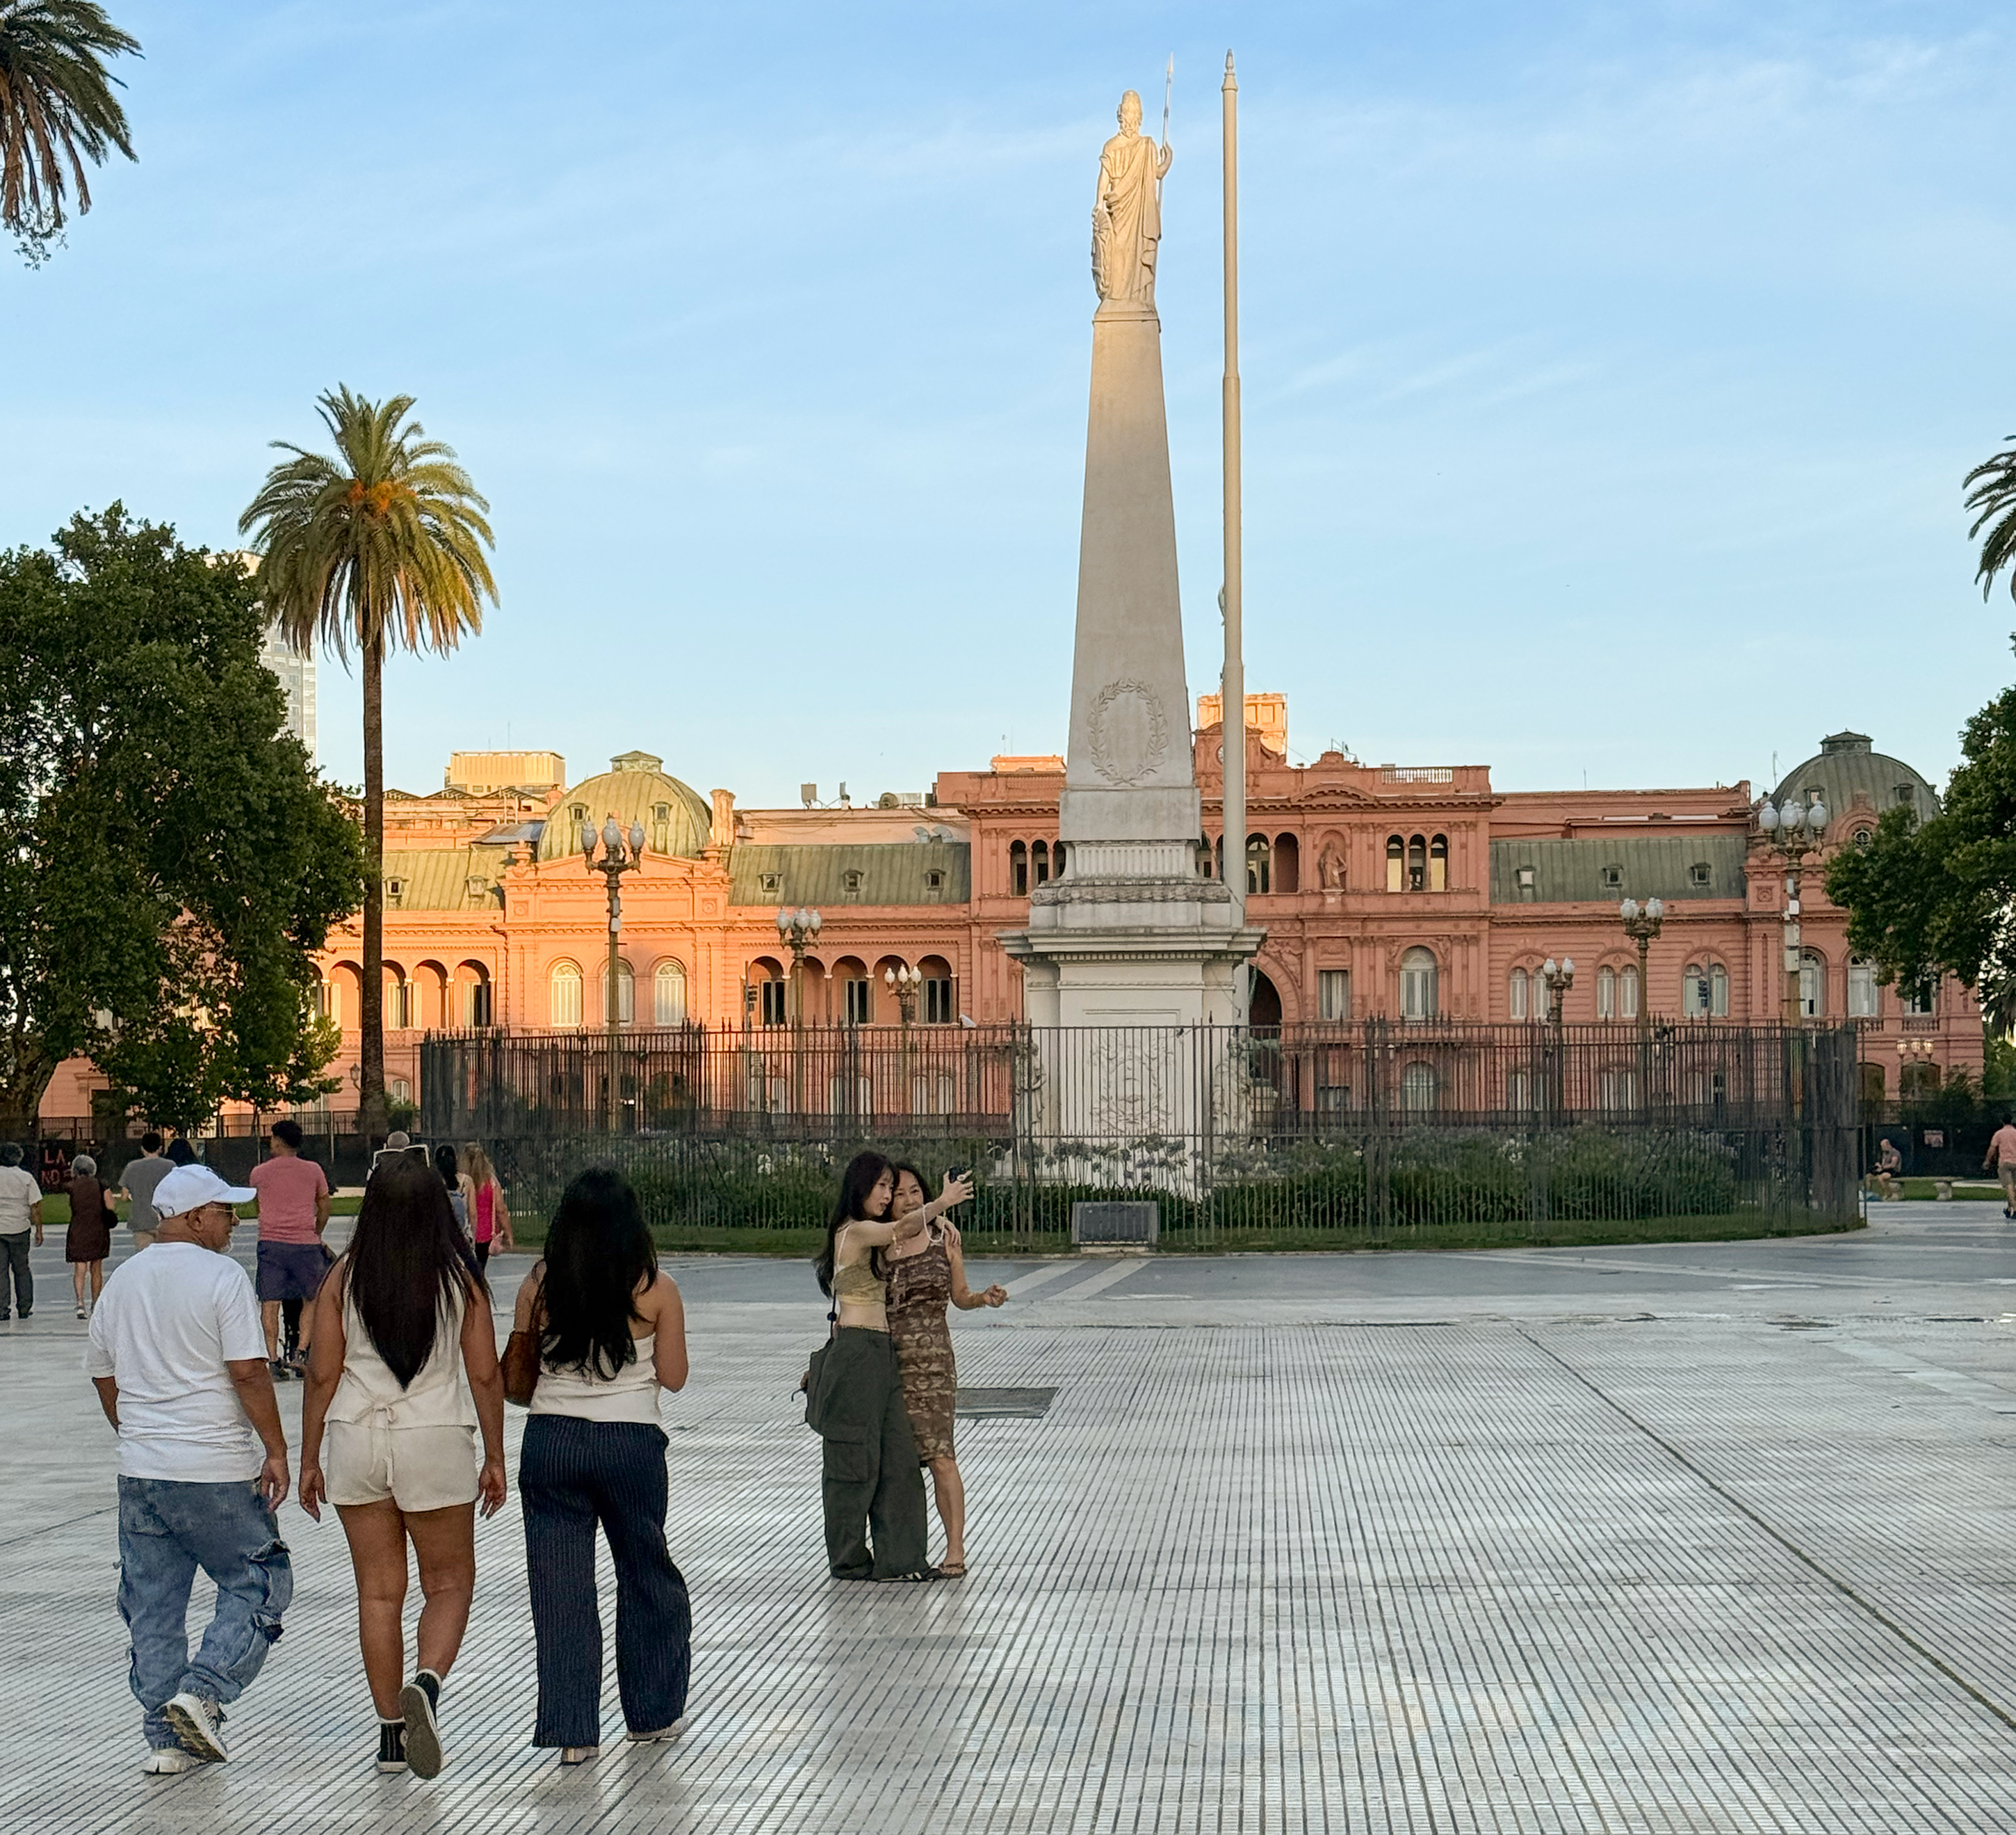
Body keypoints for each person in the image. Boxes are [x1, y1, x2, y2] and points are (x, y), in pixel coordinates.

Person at [298, 1156, 505, 1779]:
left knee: (379, 1593)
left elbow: (321, 1372)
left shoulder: (343, 1277)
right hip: (434, 1438)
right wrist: (495, 1453)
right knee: (448, 1584)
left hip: (357, 1438)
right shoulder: (461, 1281)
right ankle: (428, 1684)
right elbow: (485, 1372)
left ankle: (391, 1734)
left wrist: (309, 1456)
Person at [83, 1163, 293, 1775]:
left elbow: (102, 1370)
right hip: (214, 1466)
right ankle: (203, 1691)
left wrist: (134, 1429)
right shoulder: (222, 1276)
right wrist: (275, 1448)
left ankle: (165, 1739)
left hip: (142, 1470)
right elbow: (249, 1371)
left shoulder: (123, 1280)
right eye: (226, 1211)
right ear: (195, 1217)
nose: (235, 1221)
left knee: (152, 1603)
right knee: (260, 1580)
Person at [510, 1168, 690, 1765]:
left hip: (552, 1441)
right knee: (646, 1574)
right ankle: (652, 1714)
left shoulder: (539, 1285)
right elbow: (674, 1375)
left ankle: (573, 1732)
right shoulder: (657, 1288)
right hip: (631, 1442)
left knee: (560, 1588)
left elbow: (520, 1370)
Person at [806, 1151, 970, 1583]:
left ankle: (902, 1559)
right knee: (854, 1460)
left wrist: (939, 1225)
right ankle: (849, 1559)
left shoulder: (876, 1235)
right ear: (860, 1188)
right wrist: (942, 1204)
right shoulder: (854, 1231)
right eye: (881, 1187)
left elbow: (909, 1240)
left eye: (890, 1188)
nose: (887, 1195)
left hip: (885, 1352)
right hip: (859, 1350)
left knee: (899, 1456)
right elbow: (901, 1228)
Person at [883, 1165, 1007, 1576]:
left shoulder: (945, 1238)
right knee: (894, 1460)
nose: (910, 1199)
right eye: (899, 1194)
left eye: (916, 1191)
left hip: (934, 1364)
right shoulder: (879, 1243)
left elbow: (959, 1296)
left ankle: (955, 1549)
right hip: (886, 1360)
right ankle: (897, 1549)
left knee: (941, 1456)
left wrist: (982, 1299)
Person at [249, 1121, 332, 1380]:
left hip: (271, 1243)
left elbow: (258, 1205)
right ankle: (301, 1351)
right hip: (305, 1242)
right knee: (311, 1299)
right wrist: (316, 1230)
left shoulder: (259, 1173)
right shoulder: (313, 1170)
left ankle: (273, 1359)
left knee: (270, 1303)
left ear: (277, 1140)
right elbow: (324, 1203)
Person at [65, 1151, 115, 1318]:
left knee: (80, 1267)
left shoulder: (71, 1187)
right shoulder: (101, 1184)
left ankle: (80, 1303)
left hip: (78, 1227)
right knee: (96, 1266)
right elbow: (110, 1207)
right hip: (98, 1228)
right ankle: (96, 1301)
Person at [0, 1142, 44, 1320]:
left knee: (1, 1271)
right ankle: (25, 1306)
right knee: (22, 1269)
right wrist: (39, 1229)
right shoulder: (26, 1178)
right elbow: (35, 1206)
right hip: (20, 1227)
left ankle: (2, 1308)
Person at [464, 1143, 514, 1272]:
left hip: (465, 1232)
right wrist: (508, 1233)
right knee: (480, 1269)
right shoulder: (491, 1183)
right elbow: (501, 1210)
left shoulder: (462, 1182)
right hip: (485, 1235)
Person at [122, 1133, 174, 1251]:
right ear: (160, 1148)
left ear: (142, 1149)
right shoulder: (170, 1166)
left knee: (144, 1260)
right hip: (165, 1220)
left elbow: (124, 1196)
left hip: (141, 1221)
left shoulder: (132, 1167)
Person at [433, 1142, 475, 1244]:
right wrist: (473, 1237)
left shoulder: (433, 1180)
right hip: (462, 1234)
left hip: (438, 1235)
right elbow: (472, 1213)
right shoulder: (466, 1181)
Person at [1984, 1114, 2016, 1218]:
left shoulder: (1999, 1134)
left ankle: (2014, 1209)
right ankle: (2009, 1207)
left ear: (2002, 1121)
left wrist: (1987, 1161)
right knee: (2013, 1187)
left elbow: (1992, 1148)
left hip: (2005, 1162)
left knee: (2009, 1186)